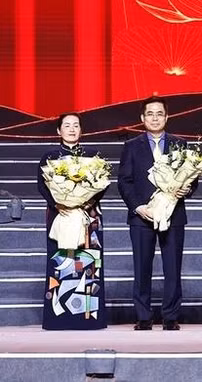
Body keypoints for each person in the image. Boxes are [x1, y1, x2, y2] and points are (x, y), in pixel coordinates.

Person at [118, 96, 194, 331]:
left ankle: (171, 316)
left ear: (166, 117)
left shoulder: (180, 144)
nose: (154, 117)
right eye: (150, 114)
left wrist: (187, 188)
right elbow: (124, 181)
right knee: (142, 267)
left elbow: (193, 178)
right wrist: (138, 207)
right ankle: (143, 316)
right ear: (142, 118)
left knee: (172, 267)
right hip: (143, 215)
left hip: (173, 214)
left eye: (159, 113)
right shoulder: (132, 146)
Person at [38, 113, 107, 330]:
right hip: (61, 215)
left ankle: (88, 317)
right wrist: (60, 203)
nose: (71, 129)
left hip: (88, 216)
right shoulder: (50, 157)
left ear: (81, 130)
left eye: (76, 125)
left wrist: (86, 201)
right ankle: (59, 317)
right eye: (66, 125)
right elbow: (42, 186)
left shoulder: (93, 156)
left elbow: (102, 185)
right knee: (61, 262)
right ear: (58, 131)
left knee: (87, 262)